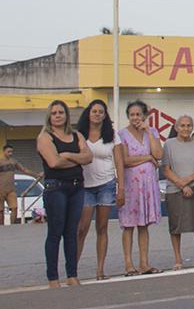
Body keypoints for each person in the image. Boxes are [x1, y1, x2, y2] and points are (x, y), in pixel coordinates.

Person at [36, 100, 91, 286]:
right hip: (56, 188)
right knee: (55, 232)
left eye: (61, 112)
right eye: (54, 113)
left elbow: (89, 156)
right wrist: (78, 159)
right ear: (49, 116)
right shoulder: (45, 137)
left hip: (76, 187)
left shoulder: (76, 135)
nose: (58, 115)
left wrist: (67, 156)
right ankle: (53, 277)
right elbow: (53, 163)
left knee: (71, 232)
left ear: (67, 115)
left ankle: (72, 275)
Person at [114, 100, 163, 275]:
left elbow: (159, 154)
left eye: (138, 114)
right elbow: (125, 160)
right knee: (128, 225)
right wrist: (148, 158)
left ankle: (144, 263)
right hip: (131, 185)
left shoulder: (152, 132)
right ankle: (129, 264)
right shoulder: (122, 135)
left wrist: (148, 132)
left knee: (144, 225)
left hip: (148, 186)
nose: (135, 118)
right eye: (132, 114)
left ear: (145, 116)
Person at [76, 100, 118, 280]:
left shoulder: (112, 135)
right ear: (88, 113)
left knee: (102, 227)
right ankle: (73, 269)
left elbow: (119, 162)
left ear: (105, 115)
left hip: (106, 184)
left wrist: (121, 186)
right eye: (94, 111)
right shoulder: (79, 135)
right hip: (85, 186)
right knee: (81, 229)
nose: (97, 114)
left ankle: (100, 270)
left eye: (101, 112)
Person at [161, 114, 194, 269]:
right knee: (176, 225)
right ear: (176, 128)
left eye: (189, 125)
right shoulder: (168, 144)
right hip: (175, 188)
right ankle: (177, 259)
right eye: (182, 125)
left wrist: (187, 182)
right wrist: (181, 185)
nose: (185, 128)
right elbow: (166, 169)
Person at [0, 143, 31, 226]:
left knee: (14, 208)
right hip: (1, 189)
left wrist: (36, 174)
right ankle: (2, 227)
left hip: (11, 189)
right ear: (4, 151)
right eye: (8, 151)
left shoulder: (14, 161)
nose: (10, 153)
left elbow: (24, 170)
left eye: (11, 151)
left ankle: (12, 226)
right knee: (1, 210)